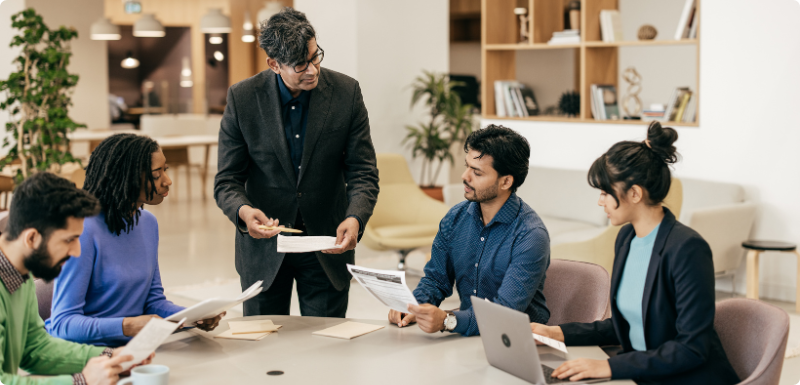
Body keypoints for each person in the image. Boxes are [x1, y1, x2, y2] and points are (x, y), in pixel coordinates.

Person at [530, 122, 739, 384]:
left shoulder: (687, 249)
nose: (600, 201)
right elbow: (627, 323)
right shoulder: (627, 238)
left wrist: (611, 367)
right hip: (642, 371)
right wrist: (558, 333)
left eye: (606, 192)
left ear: (635, 193)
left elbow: (691, 348)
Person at [214, 8, 379, 317]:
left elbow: (363, 172)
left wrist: (355, 217)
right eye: (301, 64)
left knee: (325, 349)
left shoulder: (346, 93)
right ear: (274, 64)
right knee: (262, 351)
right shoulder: (243, 98)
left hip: (326, 246)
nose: (313, 70)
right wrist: (243, 212)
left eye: (316, 57)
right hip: (264, 249)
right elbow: (227, 180)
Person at [47, 134, 223, 347]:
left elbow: (153, 302)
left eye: (165, 170)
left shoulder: (148, 223)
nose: (168, 181)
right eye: (157, 174)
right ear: (126, 177)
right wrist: (127, 326)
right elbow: (62, 324)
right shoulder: (82, 230)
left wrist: (192, 316)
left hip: (137, 348)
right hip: (90, 355)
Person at [389, 125, 550, 336]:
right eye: (467, 167)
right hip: (467, 337)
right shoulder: (455, 218)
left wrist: (448, 321)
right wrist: (413, 306)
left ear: (506, 182)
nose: (465, 176)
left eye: (477, 172)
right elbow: (436, 279)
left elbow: (504, 314)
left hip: (517, 343)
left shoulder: (531, 235)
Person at [0, 172, 152, 385]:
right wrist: (81, 381)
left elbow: (35, 349)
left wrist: (110, 358)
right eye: (69, 240)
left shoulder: (20, 274)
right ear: (32, 238)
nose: (77, 251)